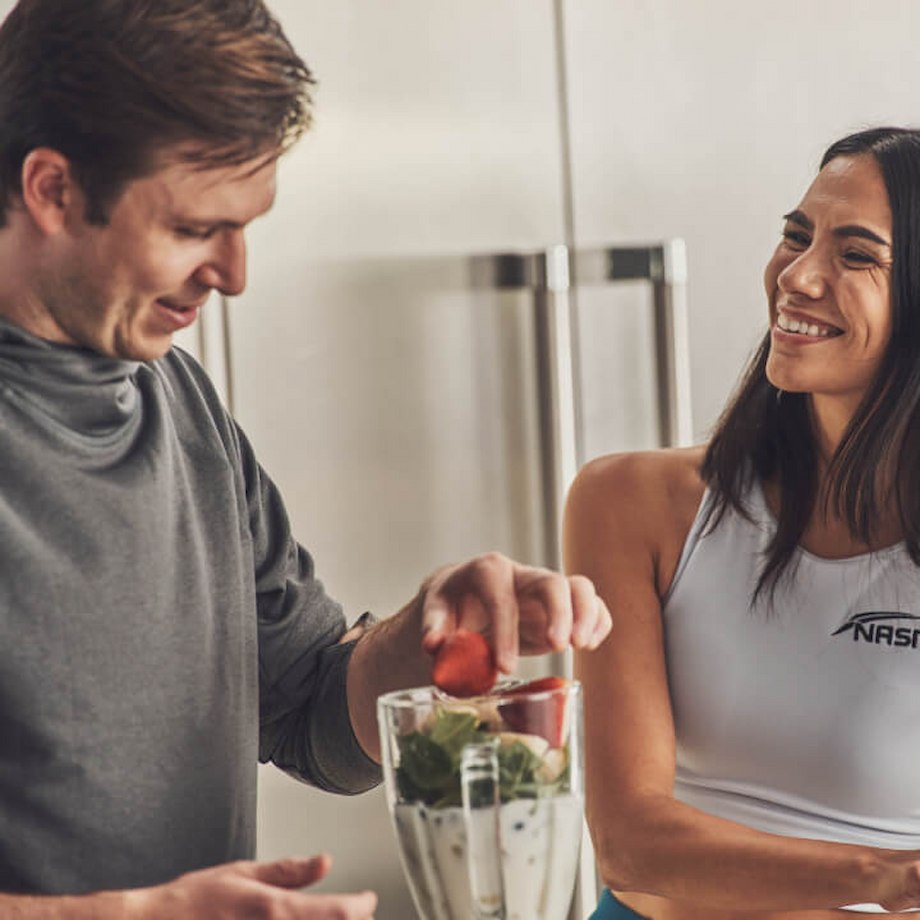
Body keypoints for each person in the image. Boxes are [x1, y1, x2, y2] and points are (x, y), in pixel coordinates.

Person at [0, 1, 613, 917]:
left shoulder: (181, 402)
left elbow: (308, 710)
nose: (235, 274)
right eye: (194, 228)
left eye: (247, 226)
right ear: (51, 188)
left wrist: (427, 638)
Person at [565, 124, 920, 920]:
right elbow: (629, 842)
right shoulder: (630, 503)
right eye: (796, 237)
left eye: (856, 255)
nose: (797, 275)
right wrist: (889, 880)